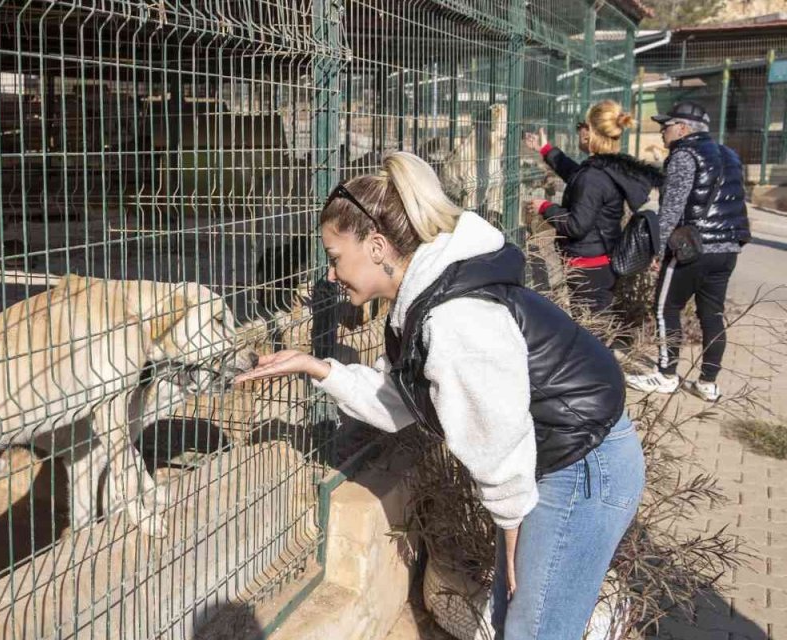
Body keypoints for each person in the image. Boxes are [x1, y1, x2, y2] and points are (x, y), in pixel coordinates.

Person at [233, 152, 644, 639]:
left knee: (534, 630)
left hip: (582, 466)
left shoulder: (453, 318)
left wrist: (511, 525)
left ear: (379, 246)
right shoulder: (426, 298)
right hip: (557, 458)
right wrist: (315, 367)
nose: (330, 275)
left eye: (336, 257)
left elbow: (496, 432)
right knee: (516, 619)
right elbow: (398, 401)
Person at [624, 101, 750, 402]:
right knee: (712, 314)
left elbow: (671, 209)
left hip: (692, 248)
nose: (661, 131)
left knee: (665, 308)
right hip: (728, 249)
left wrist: (657, 250)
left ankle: (666, 375)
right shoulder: (730, 155)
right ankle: (708, 383)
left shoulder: (684, 154)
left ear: (682, 128)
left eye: (665, 126)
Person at [522, 99, 662, 316]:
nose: (578, 131)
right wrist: (546, 150)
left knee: (592, 335)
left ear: (588, 132)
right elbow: (577, 177)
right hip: (599, 262)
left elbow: (576, 225)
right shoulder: (607, 168)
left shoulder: (594, 177)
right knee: (595, 329)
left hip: (588, 267)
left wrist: (545, 207)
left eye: (581, 126)